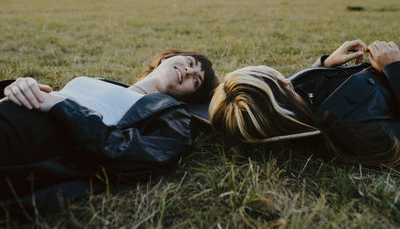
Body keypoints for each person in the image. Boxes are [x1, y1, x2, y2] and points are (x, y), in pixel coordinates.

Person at [0, 49, 218, 216]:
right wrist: (22, 86)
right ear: (166, 58)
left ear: (188, 97)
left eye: (195, 80)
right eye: (190, 63)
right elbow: (55, 95)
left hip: (34, 135)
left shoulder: (170, 113)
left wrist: (61, 106)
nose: (189, 71)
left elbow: (133, 154)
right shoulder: (104, 82)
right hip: (13, 109)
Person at [209, 40, 400, 168]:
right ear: (282, 86)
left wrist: (325, 65)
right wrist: (393, 67)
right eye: (276, 77)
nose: (288, 79)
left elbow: (297, 85)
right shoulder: (350, 126)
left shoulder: (289, 101)